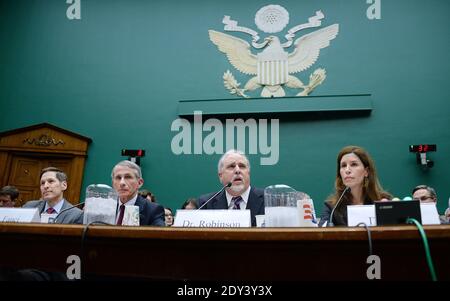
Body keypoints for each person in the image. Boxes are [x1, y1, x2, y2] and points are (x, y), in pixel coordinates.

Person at [319, 146, 391, 227]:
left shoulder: (383, 202)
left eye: (354, 164)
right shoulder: (331, 207)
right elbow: (322, 233)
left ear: (366, 171)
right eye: (343, 165)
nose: (347, 170)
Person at [197, 149, 264, 227]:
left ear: (248, 173)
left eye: (242, 166)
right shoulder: (206, 204)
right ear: (220, 176)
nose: (237, 170)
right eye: (231, 166)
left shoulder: (268, 201)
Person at [111, 160, 165, 226]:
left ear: (139, 183)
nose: (122, 183)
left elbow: (159, 234)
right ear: (113, 183)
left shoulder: (153, 210)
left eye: (128, 177)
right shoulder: (106, 207)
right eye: (118, 178)